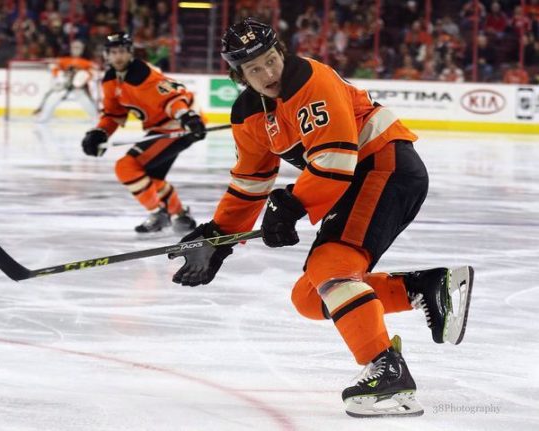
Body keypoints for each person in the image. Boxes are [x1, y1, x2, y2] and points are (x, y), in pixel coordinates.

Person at [169, 18, 474, 418]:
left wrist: (292, 205)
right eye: (255, 69)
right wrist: (221, 235)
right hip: (358, 179)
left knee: (331, 266)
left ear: (281, 52)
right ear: (238, 75)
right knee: (311, 297)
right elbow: (251, 181)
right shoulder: (249, 115)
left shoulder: (312, 79)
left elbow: (335, 161)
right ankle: (428, 287)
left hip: (384, 166)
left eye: (271, 59)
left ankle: (388, 373)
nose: (269, 72)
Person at [81, 32, 206, 233]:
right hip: (161, 127)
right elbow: (114, 114)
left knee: (127, 167)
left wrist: (187, 116)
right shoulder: (111, 80)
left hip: (179, 125)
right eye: (113, 52)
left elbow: (173, 99)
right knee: (149, 179)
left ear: (130, 53)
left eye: (122, 51)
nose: (118, 57)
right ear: (106, 55)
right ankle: (180, 215)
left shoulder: (143, 75)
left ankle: (158, 213)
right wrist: (100, 132)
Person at [34, 39, 99, 122]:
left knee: (86, 101)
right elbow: (54, 66)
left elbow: (93, 72)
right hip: (64, 85)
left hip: (79, 87)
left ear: (83, 49)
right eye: (74, 47)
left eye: (78, 47)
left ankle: (96, 118)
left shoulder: (87, 62)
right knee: (53, 98)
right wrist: (59, 74)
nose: (76, 49)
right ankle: (43, 117)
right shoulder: (64, 59)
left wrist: (85, 76)